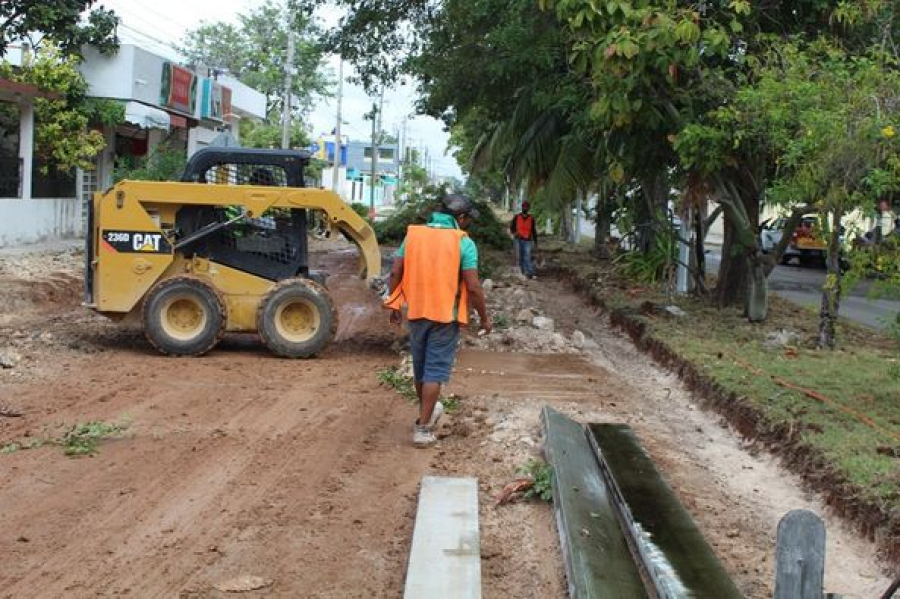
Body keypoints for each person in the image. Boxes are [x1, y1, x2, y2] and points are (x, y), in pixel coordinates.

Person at [384, 195, 492, 447]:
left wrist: (394, 303)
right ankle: (422, 429)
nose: (468, 225)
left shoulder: (413, 235)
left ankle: (427, 413)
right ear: (461, 218)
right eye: (467, 220)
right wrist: (484, 318)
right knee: (435, 371)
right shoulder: (463, 243)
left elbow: (395, 271)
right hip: (446, 315)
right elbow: (473, 287)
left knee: (421, 369)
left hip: (417, 312)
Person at [510, 201, 538, 279]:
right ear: (522, 208)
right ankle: (523, 272)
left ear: (528, 208)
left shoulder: (531, 218)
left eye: (526, 207)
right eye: (524, 207)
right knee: (520, 256)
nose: (525, 208)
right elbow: (512, 227)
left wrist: (535, 242)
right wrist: (514, 233)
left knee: (527, 256)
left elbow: (533, 230)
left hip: (527, 240)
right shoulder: (517, 217)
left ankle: (531, 273)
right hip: (518, 239)